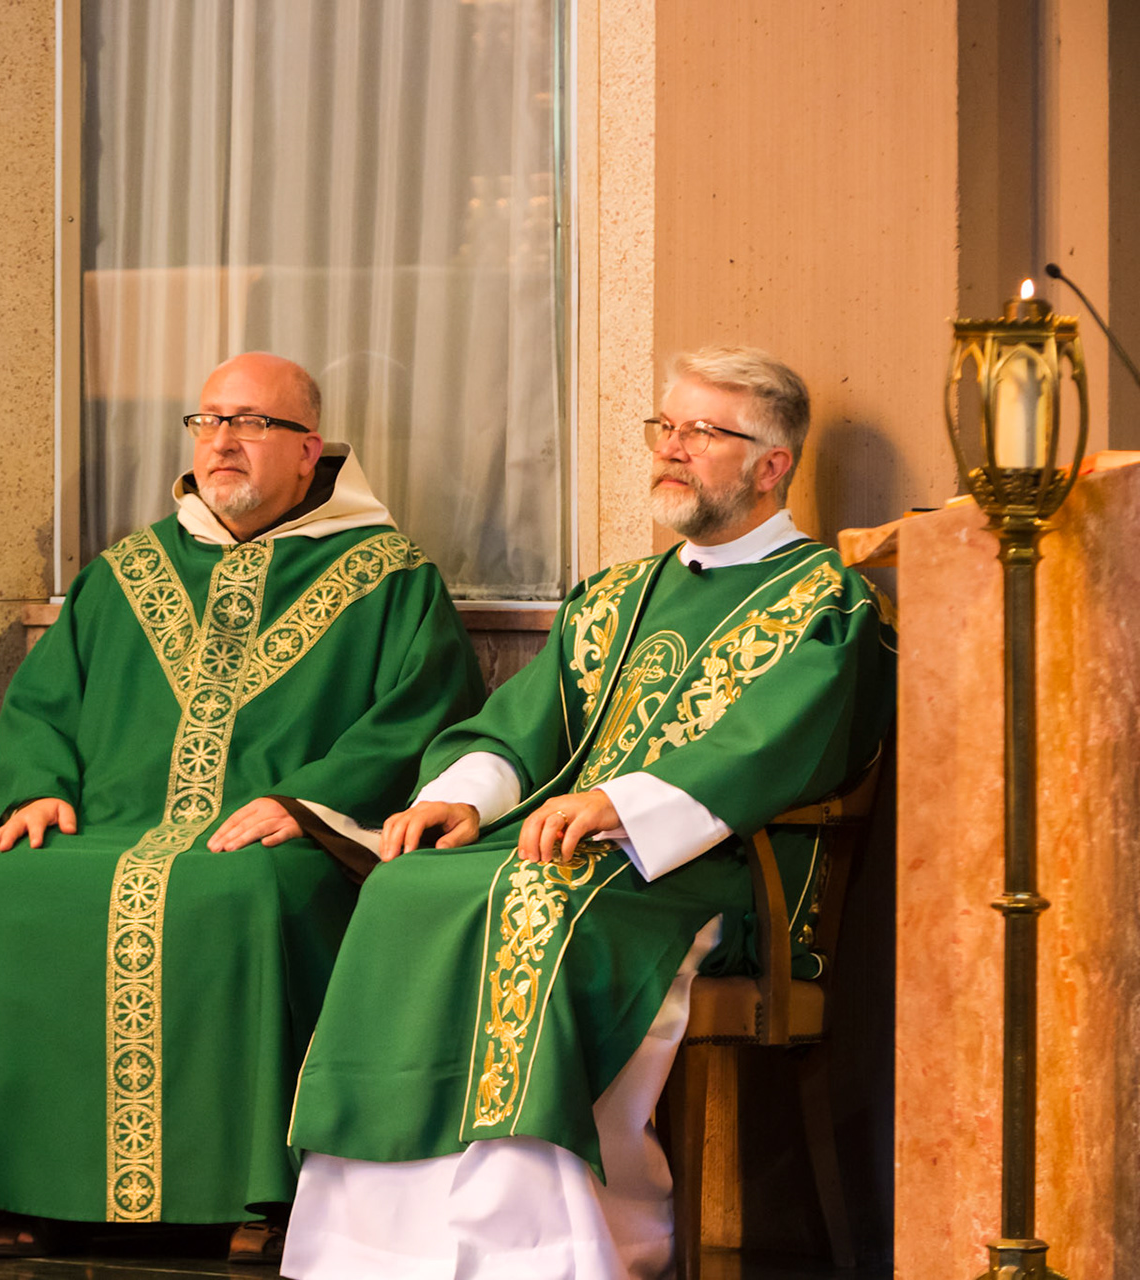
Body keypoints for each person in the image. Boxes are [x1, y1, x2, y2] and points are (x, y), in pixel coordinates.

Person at [281, 347, 897, 1280]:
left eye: (702, 432)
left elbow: (776, 745)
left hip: (711, 875)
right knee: (405, 886)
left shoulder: (827, 602)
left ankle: (539, 1248)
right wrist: (458, 796)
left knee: (536, 903)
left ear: (773, 465)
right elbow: (520, 724)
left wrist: (620, 803)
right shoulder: (616, 597)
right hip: (566, 849)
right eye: (666, 427)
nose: (671, 448)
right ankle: (375, 1247)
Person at [0, 352, 487, 1261]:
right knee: (14, 886)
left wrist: (311, 804)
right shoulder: (128, 570)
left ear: (310, 449)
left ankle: (258, 1195)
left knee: (248, 894)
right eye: (209, 422)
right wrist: (39, 789)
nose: (221, 442)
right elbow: (44, 702)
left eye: (251, 423)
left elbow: (422, 711)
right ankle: (32, 1184)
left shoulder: (388, 576)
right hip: (115, 824)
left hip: (285, 836)